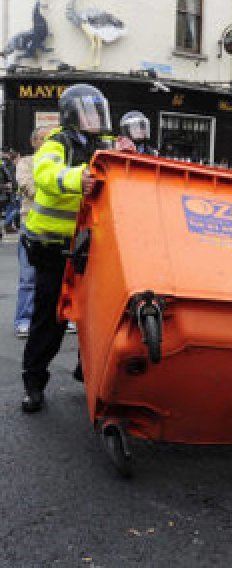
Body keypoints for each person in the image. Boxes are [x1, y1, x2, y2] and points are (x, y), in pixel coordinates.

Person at [20, 83, 114, 413]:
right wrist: (78, 178)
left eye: (97, 111)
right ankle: (33, 383)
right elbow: (46, 175)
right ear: (71, 114)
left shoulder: (103, 145)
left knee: (93, 313)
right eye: (88, 111)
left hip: (87, 246)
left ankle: (85, 370)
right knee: (50, 319)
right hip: (50, 246)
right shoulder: (56, 142)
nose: (95, 118)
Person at [12, 127, 49, 338]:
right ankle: (24, 320)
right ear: (34, 142)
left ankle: (61, 318)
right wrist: (56, 188)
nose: (47, 142)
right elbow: (29, 187)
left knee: (60, 276)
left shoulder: (59, 163)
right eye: (43, 139)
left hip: (55, 227)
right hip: (31, 224)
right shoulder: (26, 163)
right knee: (28, 276)